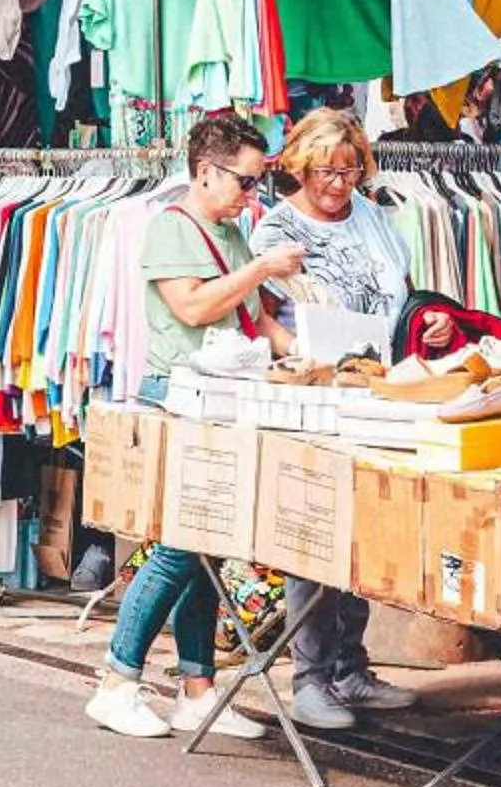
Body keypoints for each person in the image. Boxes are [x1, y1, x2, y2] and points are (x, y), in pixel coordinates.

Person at [85, 112, 303, 742]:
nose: (252, 195)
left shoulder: (234, 232)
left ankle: (196, 688)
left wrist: (311, 355)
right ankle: (117, 681)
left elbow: (256, 323)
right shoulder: (169, 230)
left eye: (258, 183)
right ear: (206, 171)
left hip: (225, 398)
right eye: (245, 181)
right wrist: (260, 271)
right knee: (181, 542)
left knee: (207, 542)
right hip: (182, 399)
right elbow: (194, 305)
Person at [250, 108, 431, 729]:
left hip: (378, 392)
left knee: (365, 529)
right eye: (327, 170)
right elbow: (260, 315)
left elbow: (401, 297)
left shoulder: (379, 219)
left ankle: (352, 668)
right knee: (311, 531)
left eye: (350, 169)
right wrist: (293, 353)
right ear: (301, 165)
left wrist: (424, 322)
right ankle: (309, 676)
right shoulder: (275, 228)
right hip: (314, 397)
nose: (339, 183)